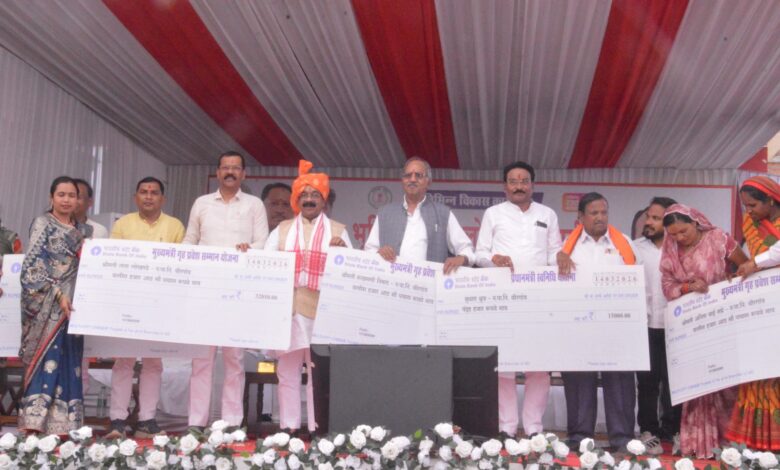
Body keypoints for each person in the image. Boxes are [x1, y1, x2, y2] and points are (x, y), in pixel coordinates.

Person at [474, 161, 561, 438]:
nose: (519, 186)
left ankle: (534, 429)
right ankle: (506, 428)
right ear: (505, 186)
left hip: (538, 299)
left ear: (532, 185)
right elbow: (479, 254)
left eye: (524, 181)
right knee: (504, 367)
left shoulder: (547, 214)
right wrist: (494, 259)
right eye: (513, 181)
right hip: (503, 298)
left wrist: (561, 258)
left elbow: (554, 254)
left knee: (539, 366)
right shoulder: (493, 214)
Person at [183, 150, 269, 431]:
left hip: (237, 292)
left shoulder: (254, 205)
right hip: (205, 291)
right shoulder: (202, 203)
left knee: (234, 360)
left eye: (235, 168)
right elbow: (190, 240)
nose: (230, 172)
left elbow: (263, 242)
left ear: (243, 174)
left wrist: (249, 248)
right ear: (218, 172)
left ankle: (231, 423)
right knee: (201, 360)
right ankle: (196, 423)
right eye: (225, 168)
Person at [265, 160, 352, 435]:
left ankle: (317, 428)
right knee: (287, 372)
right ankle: (288, 427)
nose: (309, 199)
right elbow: (265, 265)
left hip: (322, 312)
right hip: (288, 310)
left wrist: (343, 251)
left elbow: (352, 272)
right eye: (304, 195)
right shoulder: (281, 230)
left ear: (324, 200)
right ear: (297, 200)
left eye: (315, 195)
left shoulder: (338, 231)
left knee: (317, 374)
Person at [659, 203, 749, 458]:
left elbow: (745, 267)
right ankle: (701, 445)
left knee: (727, 384)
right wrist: (688, 288)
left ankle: (732, 444)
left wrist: (732, 281)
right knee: (698, 386)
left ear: (696, 223)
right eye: (673, 234)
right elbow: (667, 286)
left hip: (724, 322)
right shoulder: (670, 250)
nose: (679, 238)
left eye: (683, 231)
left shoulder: (719, 239)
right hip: (692, 329)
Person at [557, 192, 641, 451]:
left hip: (617, 327)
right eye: (593, 213)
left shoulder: (623, 243)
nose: (600, 218)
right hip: (579, 327)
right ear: (580, 217)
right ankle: (580, 438)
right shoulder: (566, 248)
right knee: (579, 382)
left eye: (604, 212)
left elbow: (639, 282)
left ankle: (622, 438)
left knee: (620, 382)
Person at [105, 177, 185, 439]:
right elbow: (113, 261)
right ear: (135, 197)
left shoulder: (175, 226)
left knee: (153, 361)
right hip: (128, 301)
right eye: (144, 192)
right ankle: (117, 420)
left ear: (163, 198)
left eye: (154, 192)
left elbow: (181, 264)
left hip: (160, 302)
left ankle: (147, 420)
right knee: (124, 360)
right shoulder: (122, 224)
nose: (149, 196)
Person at [18, 176, 86, 434]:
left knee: (69, 359)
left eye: (72, 195)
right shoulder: (42, 224)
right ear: (51, 197)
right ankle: (35, 422)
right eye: (61, 195)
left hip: (75, 307)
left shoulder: (82, 231)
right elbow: (32, 267)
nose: (67, 200)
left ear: (78, 200)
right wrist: (58, 294)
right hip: (48, 306)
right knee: (48, 358)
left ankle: (65, 424)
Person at [725, 176, 780, 451]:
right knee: (758, 374)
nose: (749, 211)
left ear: (771, 200)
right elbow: (746, 261)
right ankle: (759, 443)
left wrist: (754, 263)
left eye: (753, 205)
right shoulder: (751, 226)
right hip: (760, 314)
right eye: (746, 206)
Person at [365, 157, 474, 273]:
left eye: (418, 175)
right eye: (408, 175)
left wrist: (461, 258)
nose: (412, 179)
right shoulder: (385, 213)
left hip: (429, 282)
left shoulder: (443, 214)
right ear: (402, 181)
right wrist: (379, 253)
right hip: (392, 282)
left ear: (428, 182)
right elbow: (369, 250)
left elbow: (466, 249)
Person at [633, 197, 680, 453]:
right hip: (646, 325)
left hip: (678, 326)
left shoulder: (682, 247)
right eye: (648, 217)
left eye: (655, 218)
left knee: (675, 382)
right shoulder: (635, 248)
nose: (648, 222)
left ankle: (673, 430)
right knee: (648, 383)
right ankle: (648, 430)